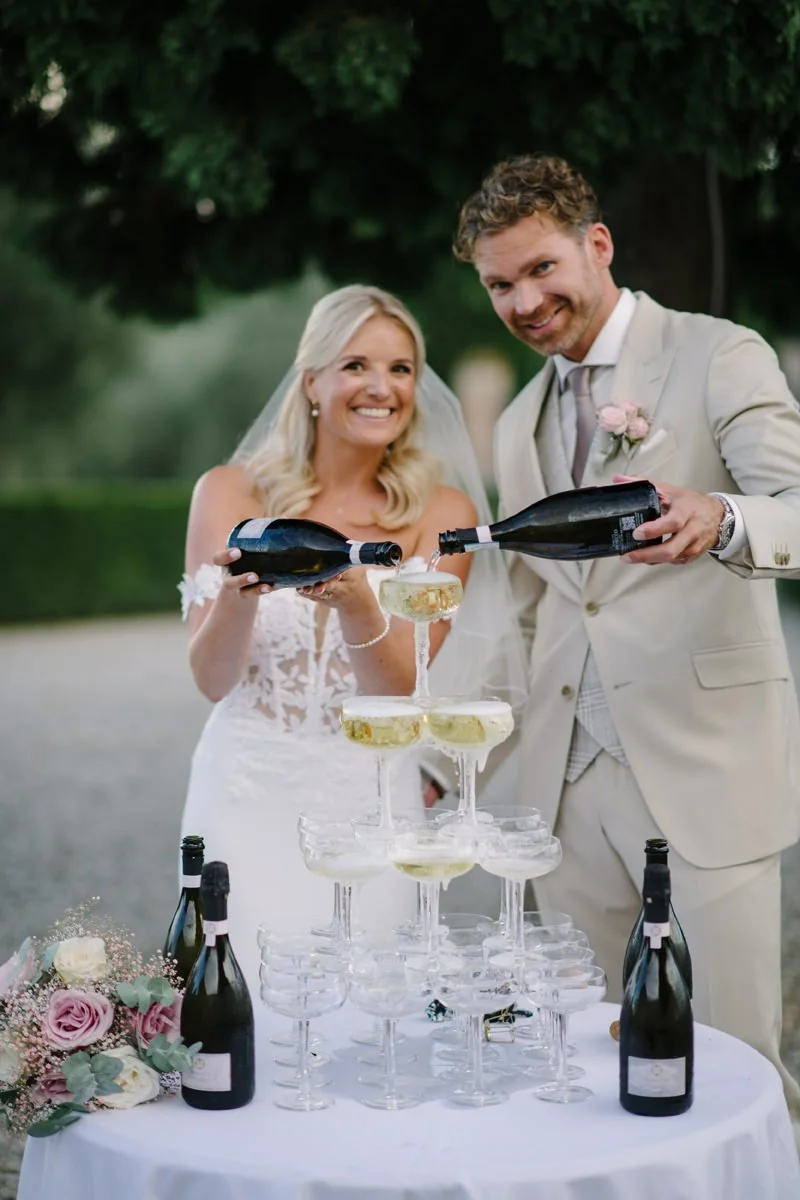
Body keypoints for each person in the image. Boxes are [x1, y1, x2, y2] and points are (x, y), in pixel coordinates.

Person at [453, 153, 800, 1105]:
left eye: (539, 270)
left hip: (703, 765)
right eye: (498, 285)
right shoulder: (518, 420)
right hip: (563, 790)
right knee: (588, 1063)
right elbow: (533, 604)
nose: (523, 301)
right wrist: (460, 744)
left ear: (596, 246)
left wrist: (724, 519)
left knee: (734, 1065)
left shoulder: (717, 353)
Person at [177, 283, 524, 991]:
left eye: (401, 369)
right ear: (312, 382)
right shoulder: (228, 494)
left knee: (373, 1009)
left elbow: (397, 696)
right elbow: (212, 681)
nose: (382, 387)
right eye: (357, 365)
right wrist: (241, 596)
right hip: (245, 790)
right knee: (233, 998)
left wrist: (360, 607)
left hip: (372, 806)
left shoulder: (442, 514)